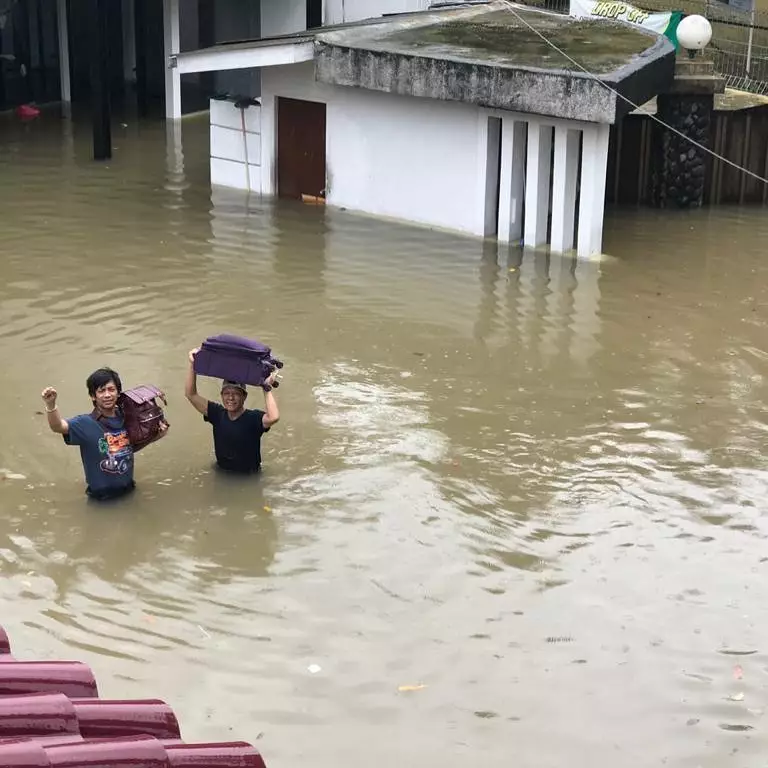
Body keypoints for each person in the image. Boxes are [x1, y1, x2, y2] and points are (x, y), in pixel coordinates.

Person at [41, 367, 165, 501]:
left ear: (118, 393)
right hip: (101, 497)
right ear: (93, 396)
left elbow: (130, 448)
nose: (107, 395)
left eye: (111, 390)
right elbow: (57, 426)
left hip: (130, 490)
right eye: (101, 391)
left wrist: (156, 435)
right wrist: (51, 405)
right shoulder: (85, 423)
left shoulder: (128, 418)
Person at [185, 348, 280, 474]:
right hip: (222, 472)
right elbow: (191, 394)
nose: (230, 398)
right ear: (221, 395)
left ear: (244, 396)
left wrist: (266, 387)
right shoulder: (217, 414)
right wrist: (193, 364)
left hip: (248, 477)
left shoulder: (253, 418)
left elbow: (273, 417)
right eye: (227, 393)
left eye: (236, 393)